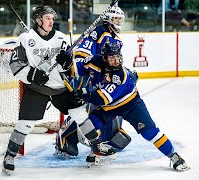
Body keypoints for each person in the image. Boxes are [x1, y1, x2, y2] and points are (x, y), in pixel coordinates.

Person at [2, 5, 115, 175]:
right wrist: (31, 74)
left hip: (60, 87)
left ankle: (96, 145)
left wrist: (66, 63)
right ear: (38, 20)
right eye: (48, 18)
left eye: (52, 19)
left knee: (80, 114)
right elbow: (15, 65)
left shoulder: (61, 38)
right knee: (25, 124)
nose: (51, 21)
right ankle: (9, 156)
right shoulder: (25, 39)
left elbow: (71, 69)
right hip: (36, 89)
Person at [59, 41, 190, 171]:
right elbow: (75, 69)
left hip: (131, 105)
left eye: (117, 57)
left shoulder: (119, 75)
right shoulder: (94, 62)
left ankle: (174, 156)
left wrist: (84, 94)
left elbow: (101, 99)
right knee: (88, 128)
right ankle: (97, 151)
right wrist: (67, 64)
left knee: (150, 133)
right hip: (108, 108)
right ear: (104, 58)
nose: (116, 61)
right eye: (112, 58)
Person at [53, 6, 132, 162]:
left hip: (104, 78)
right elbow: (83, 53)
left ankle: (110, 134)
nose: (119, 22)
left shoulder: (115, 37)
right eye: (116, 19)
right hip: (90, 75)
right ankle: (66, 137)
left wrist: (125, 72)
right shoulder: (99, 32)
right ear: (108, 19)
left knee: (113, 102)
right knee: (86, 108)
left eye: (120, 19)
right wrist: (84, 70)